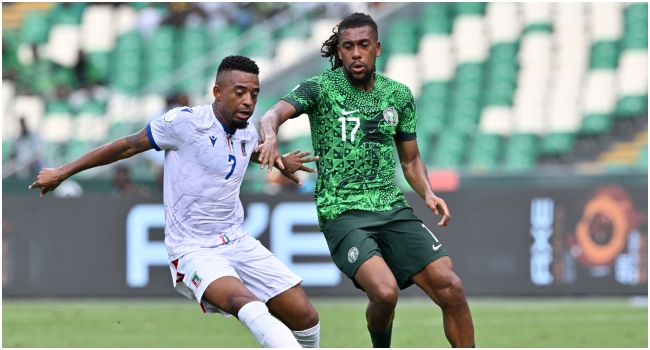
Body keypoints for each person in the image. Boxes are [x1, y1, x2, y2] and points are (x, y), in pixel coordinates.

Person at [29, 55, 321, 348]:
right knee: (247, 304)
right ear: (217, 92)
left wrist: (280, 161)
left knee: (306, 317)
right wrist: (63, 171)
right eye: (240, 92)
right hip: (193, 248)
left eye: (254, 94)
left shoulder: (248, 131)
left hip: (238, 240)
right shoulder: (185, 123)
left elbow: (245, 150)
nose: (248, 101)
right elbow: (128, 146)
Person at [256, 13, 475, 348]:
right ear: (339, 52)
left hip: (392, 207)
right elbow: (272, 114)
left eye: (363, 45)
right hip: (342, 213)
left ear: (377, 48)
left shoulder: (398, 95)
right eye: (348, 47)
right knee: (385, 293)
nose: (356, 53)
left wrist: (427, 192)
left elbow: (411, 158)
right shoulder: (319, 88)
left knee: (451, 287)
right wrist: (269, 136)